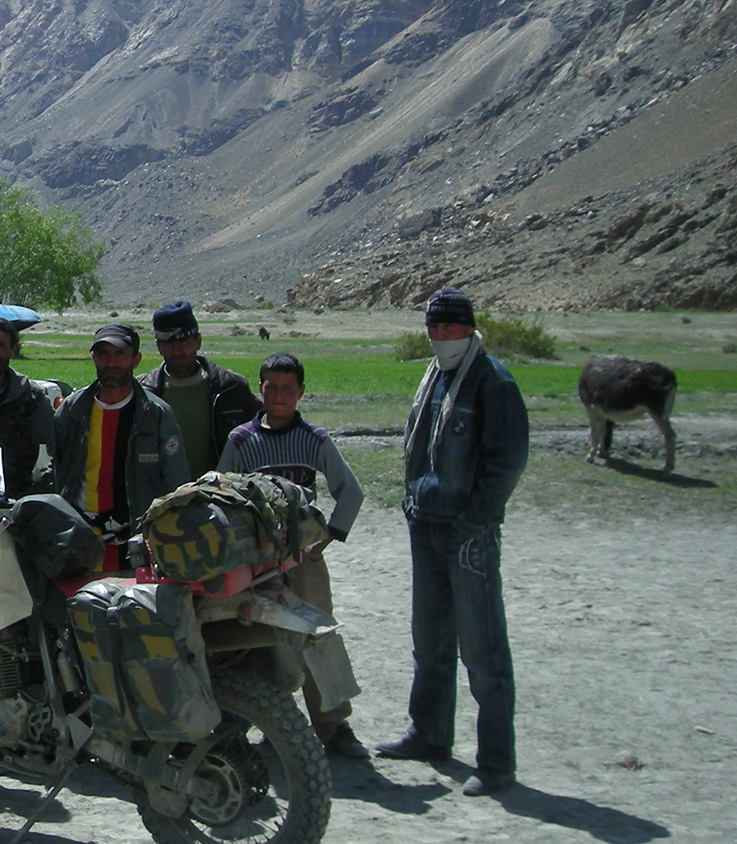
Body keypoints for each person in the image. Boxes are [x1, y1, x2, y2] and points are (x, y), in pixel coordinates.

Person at [375, 288, 529, 798]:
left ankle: (497, 762)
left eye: (449, 329)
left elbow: (505, 462)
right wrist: (411, 500)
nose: (440, 338)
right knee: (430, 638)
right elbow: (422, 449)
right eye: (433, 329)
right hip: (427, 525)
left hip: (467, 534)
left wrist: (475, 521)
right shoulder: (436, 378)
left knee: (482, 648)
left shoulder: (493, 382)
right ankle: (430, 732)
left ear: (469, 328)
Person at [216, 352, 368, 760]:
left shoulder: (316, 439)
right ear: (259, 389)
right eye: (270, 387)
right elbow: (220, 493)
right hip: (257, 564)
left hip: (304, 561)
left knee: (317, 636)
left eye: (287, 388)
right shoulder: (241, 441)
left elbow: (349, 491)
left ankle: (334, 726)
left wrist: (329, 537)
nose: (279, 396)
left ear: (301, 392)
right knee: (256, 640)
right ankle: (265, 722)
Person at [51, 324, 189, 571]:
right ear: (93, 358)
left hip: (137, 545)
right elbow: (56, 467)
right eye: (103, 354)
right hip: (79, 542)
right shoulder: (73, 410)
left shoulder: (156, 416)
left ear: (136, 360)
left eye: (119, 355)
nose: (111, 362)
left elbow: (175, 485)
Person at [139, 301, 261, 481]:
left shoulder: (231, 388)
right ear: (158, 347)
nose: (177, 350)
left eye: (184, 342)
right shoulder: (142, 393)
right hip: (161, 502)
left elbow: (265, 434)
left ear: (198, 341)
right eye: (169, 343)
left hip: (219, 499)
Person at [0, 317, 57, 497]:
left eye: (0, 345)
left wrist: (42, 488)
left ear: (12, 350)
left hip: (15, 505)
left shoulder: (30, 397)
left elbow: (63, 446)